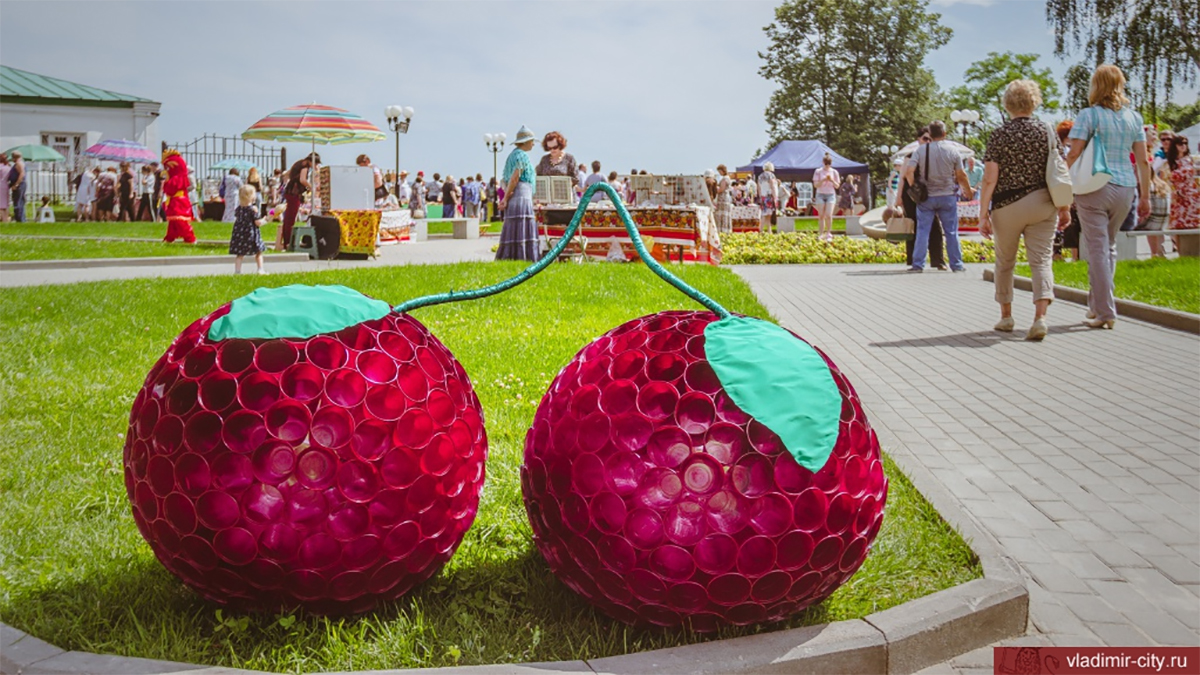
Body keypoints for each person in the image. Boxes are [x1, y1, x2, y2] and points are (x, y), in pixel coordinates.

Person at [978, 80, 1071, 341]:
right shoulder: (1048, 131)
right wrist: (1065, 207)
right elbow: (1059, 171)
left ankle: (1006, 316)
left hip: (1007, 207)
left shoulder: (999, 134)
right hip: (1043, 203)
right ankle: (1040, 318)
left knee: (1005, 262)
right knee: (1040, 261)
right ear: (1034, 101)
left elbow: (989, 178)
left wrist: (983, 212)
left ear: (1007, 104)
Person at [1066, 64, 1151, 329]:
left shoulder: (1089, 116)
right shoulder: (1134, 118)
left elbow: (1074, 152)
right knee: (1108, 247)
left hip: (1095, 187)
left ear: (1096, 86)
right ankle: (1097, 306)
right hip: (1126, 188)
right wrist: (1145, 196)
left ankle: (1105, 312)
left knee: (1097, 250)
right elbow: (1143, 161)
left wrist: (1064, 185)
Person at [904, 121, 973, 272]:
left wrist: (914, 187)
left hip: (927, 197)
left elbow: (909, 172)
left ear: (930, 133)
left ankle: (918, 264)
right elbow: (961, 175)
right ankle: (957, 264)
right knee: (951, 232)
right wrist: (967, 190)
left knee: (923, 231)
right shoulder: (953, 151)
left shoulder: (920, 151)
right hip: (947, 195)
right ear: (944, 134)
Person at [495, 125, 540, 261]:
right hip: (522, 196)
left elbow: (505, 179)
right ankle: (525, 257)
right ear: (526, 142)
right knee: (523, 226)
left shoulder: (511, 156)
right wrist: (506, 197)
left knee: (513, 228)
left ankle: (511, 257)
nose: (533, 144)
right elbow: (515, 177)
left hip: (515, 197)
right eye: (531, 141)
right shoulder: (522, 156)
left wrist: (506, 197)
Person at [1054, 121, 1083, 261]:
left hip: (1071, 186)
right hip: (1065, 186)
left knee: (1072, 222)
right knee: (1065, 221)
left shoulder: (1070, 149)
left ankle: (1074, 255)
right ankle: (1058, 253)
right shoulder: (1063, 150)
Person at [1165, 135, 1198, 239]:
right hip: (1178, 196)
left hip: (1192, 195)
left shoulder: (1191, 159)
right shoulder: (1170, 162)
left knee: (1193, 222)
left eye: (1185, 143)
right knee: (1179, 224)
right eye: (1180, 144)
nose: (1183, 146)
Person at [280, 155, 316, 251]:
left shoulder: (298, 163)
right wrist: (311, 186)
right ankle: (287, 242)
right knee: (291, 218)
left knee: (288, 218)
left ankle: (287, 241)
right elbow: (302, 180)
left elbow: (286, 174)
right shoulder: (305, 167)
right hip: (294, 193)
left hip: (290, 191)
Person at [230, 184, 267, 275]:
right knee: (258, 252)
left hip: (240, 234)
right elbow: (257, 222)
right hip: (251, 234)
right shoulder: (253, 209)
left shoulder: (239, 209)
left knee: (240, 254)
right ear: (251, 196)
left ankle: (237, 271)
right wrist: (266, 220)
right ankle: (260, 269)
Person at [161, 150, 197, 243]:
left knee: (181, 221)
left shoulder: (178, 179)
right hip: (174, 201)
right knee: (173, 221)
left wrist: (167, 182)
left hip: (179, 202)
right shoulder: (174, 178)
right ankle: (170, 237)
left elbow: (171, 189)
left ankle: (190, 238)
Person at [812, 154, 840, 241]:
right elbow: (816, 185)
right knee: (821, 215)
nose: (827, 165)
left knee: (829, 214)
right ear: (823, 163)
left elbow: (837, 186)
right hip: (820, 194)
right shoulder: (818, 171)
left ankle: (828, 233)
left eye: (829, 163)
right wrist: (823, 180)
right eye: (826, 163)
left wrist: (831, 180)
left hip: (830, 194)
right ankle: (821, 233)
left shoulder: (834, 172)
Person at [758, 162, 780, 232]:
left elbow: (758, 187)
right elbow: (773, 186)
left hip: (763, 196)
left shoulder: (760, 176)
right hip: (770, 196)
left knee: (766, 214)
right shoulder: (771, 175)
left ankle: (768, 230)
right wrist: (775, 196)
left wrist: (760, 196)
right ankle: (762, 230)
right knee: (767, 215)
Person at [9, 150, 27, 222]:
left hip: (19, 185)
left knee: (17, 202)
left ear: (14, 157)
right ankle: (21, 218)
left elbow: (22, 174)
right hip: (20, 184)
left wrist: (16, 184)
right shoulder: (20, 163)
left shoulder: (19, 164)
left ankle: (19, 219)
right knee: (20, 201)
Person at [714, 164, 733, 233]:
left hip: (723, 198)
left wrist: (715, 190)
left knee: (722, 214)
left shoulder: (725, 179)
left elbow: (721, 189)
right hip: (725, 198)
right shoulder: (727, 178)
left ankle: (722, 229)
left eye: (719, 171)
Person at [0, 154, 12, 222]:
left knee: (0, 204)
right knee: (5, 204)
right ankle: (5, 219)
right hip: (6, 185)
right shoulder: (8, 167)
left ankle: (2, 218)